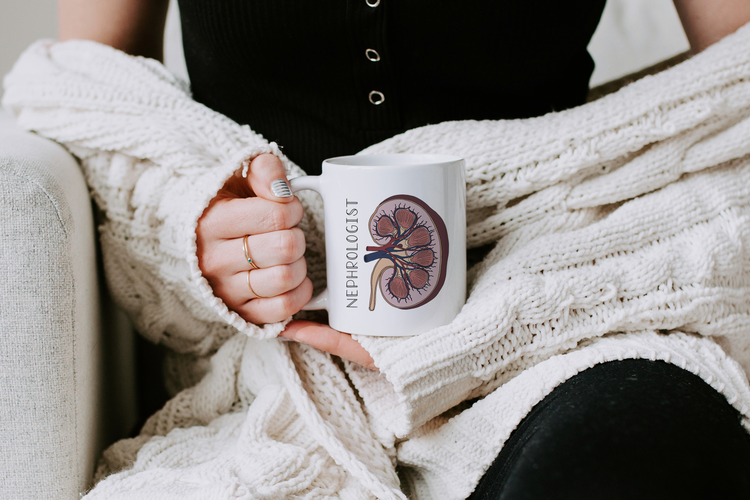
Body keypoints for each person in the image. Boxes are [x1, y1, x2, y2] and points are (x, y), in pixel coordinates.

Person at [22, 0, 750, 497]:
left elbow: (739, 97)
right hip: (274, 348)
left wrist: (507, 311)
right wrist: (193, 222)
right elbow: (87, 93)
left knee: (633, 455)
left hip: (563, 312)